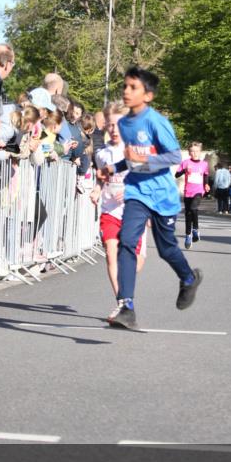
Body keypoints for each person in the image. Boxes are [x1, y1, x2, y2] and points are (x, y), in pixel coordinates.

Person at [97, 67, 202, 330]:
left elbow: (173, 157)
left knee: (166, 249)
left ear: (149, 96)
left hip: (162, 196)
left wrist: (142, 159)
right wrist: (114, 168)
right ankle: (126, 306)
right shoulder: (123, 124)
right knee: (127, 242)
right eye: (125, 86)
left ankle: (188, 278)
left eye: (133, 87)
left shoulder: (156, 122)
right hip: (136, 193)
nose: (126, 91)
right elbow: (129, 158)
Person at [91, 100, 146, 319]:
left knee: (132, 263)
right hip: (110, 210)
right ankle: (123, 304)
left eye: (118, 125)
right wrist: (96, 190)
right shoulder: (102, 154)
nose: (114, 130)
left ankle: (125, 295)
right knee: (111, 255)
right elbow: (101, 179)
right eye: (110, 125)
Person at [176, 142, 210, 249]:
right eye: (192, 151)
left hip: (199, 191)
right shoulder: (185, 162)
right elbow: (177, 174)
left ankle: (195, 229)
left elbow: (205, 175)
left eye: (197, 151)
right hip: (188, 192)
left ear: (200, 152)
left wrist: (206, 184)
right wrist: (184, 170)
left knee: (193, 208)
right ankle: (188, 235)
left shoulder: (204, 164)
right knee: (188, 214)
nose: (194, 153)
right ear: (189, 152)